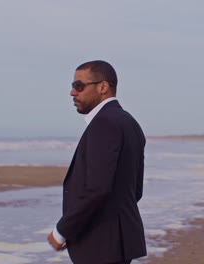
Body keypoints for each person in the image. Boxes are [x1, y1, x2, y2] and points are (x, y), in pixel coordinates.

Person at [47, 60, 147, 264]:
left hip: (100, 245)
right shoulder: (130, 123)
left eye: (79, 86)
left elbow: (98, 188)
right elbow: (135, 190)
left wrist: (62, 231)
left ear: (103, 87)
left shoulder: (104, 124)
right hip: (116, 242)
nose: (72, 93)